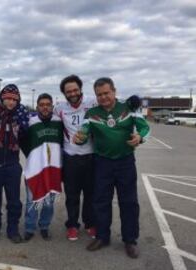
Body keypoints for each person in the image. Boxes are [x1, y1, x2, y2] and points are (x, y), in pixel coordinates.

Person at [74, 77, 150, 259]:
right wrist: (80, 138)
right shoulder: (91, 113)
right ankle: (102, 236)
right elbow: (83, 131)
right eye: (99, 95)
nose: (103, 97)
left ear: (114, 91)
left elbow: (145, 128)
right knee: (101, 201)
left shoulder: (129, 108)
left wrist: (139, 137)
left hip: (125, 162)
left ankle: (130, 240)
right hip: (102, 163)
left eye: (106, 93)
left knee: (129, 202)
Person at [0, 84, 29, 244]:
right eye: (7, 98)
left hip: (12, 166)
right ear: (2, 98)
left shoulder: (20, 116)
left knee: (14, 200)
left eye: (14, 99)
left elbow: (26, 138)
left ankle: (13, 229)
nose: (10, 102)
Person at [54, 75, 97, 241]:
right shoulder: (59, 108)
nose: (72, 93)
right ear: (64, 93)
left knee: (90, 194)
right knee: (71, 195)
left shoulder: (92, 102)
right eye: (68, 91)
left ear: (80, 89)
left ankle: (89, 223)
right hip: (71, 158)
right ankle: (72, 225)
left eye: (75, 90)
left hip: (91, 156)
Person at [21, 93, 63, 241]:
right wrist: (32, 156)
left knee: (49, 200)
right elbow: (22, 141)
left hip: (53, 168)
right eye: (42, 104)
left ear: (52, 106)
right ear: (37, 106)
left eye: (48, 104)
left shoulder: (59, 122)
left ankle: (44, 226)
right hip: (35, 168)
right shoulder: (30, 122)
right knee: (32, 200)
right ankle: (29, 227)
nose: (45, 107)